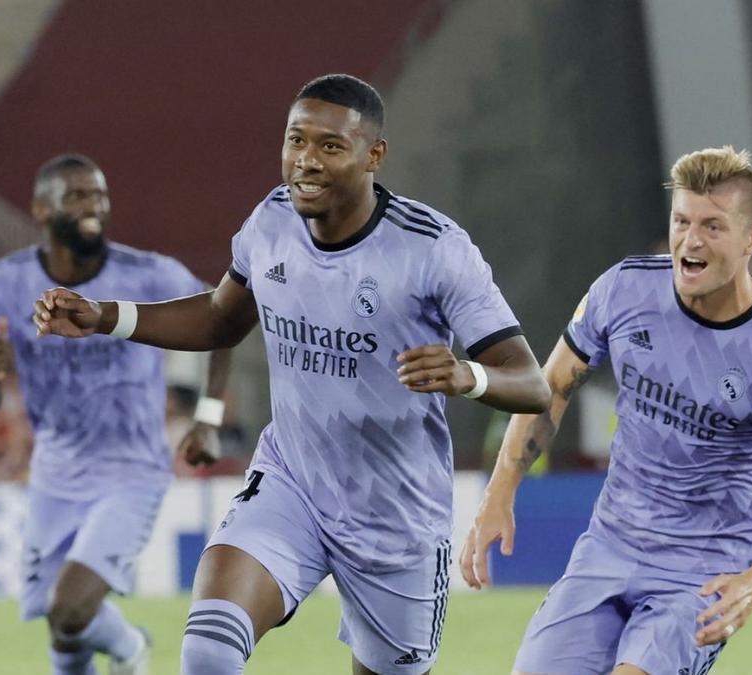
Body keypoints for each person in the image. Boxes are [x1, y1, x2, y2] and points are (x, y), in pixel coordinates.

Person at [33, 74, 550, 675]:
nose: (305, 160)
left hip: (395, 514)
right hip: (292, 483)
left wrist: (469, 375)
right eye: (296, 140)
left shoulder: (433, 248)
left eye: (331, 146)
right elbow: (219, 319)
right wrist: (103, 315)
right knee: (207, 651)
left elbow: (531, 383)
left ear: (373, 156)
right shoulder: (272, 219)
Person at [461, 147, 752, 675]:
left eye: (713, 226)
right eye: (682, 221)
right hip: (609, 547)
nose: (690, 239)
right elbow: (550, 387)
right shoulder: (625, 288)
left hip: (702, 572)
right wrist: (498, 493)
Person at [0, 154, 232, 675]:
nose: (94, 207)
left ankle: (131, 646)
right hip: (54, 473)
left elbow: (223, 316)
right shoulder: (4, 282)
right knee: (63, 633)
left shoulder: (147, 273)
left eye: (99, 195)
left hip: (130, 471)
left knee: (70, 606)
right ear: (42, 210)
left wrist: (208, 416)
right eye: (78, 196)